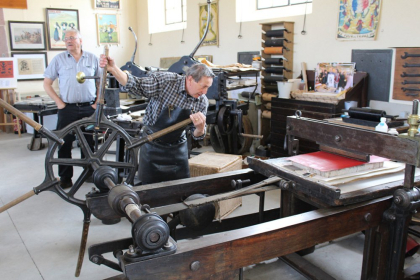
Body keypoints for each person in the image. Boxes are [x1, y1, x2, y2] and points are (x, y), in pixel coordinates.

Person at [99, 55, 214, 184]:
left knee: (179, 189)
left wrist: (200, 128)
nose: (205, 92)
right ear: (190, 79)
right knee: (148, 190)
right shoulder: (166, 81)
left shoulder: (201, 101)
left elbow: (197, 135)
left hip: (177, 150)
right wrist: (114, 68)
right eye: (203, 86)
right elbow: (136, 84)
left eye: (208, 88)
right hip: (152, 146)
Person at [43, 29, 99, 189]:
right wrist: (59, 103)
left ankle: (89, 172)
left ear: (80, 40)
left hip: (89, 108)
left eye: (72, 38)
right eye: (66, 38)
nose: (68, 41)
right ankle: (65, 178)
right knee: (64, 143)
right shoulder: (59, 60)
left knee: (89, 142)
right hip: (67, 109)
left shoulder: (92, 58)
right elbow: (47, 83)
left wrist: (96, 103)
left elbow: (101, 82)